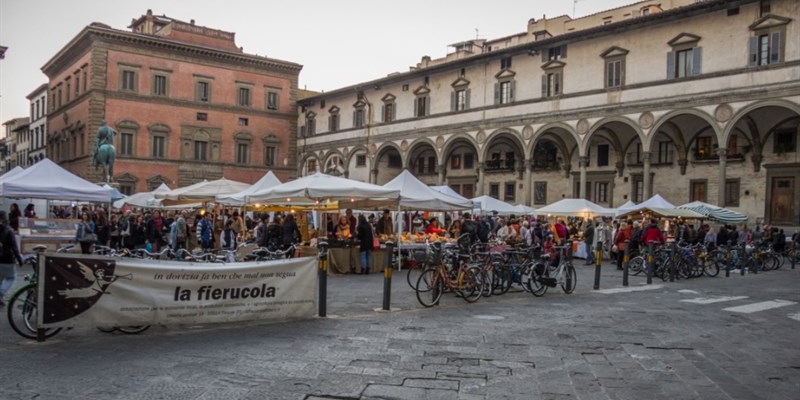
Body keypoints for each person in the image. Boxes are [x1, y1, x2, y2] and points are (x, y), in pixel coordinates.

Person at [0, 211, 24, 306]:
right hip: (7, 258)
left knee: (0, 277)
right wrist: (20, 260)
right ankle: (1, 292)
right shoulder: (9, 231)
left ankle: (0, 299)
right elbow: (14, 247)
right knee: (11, 277)